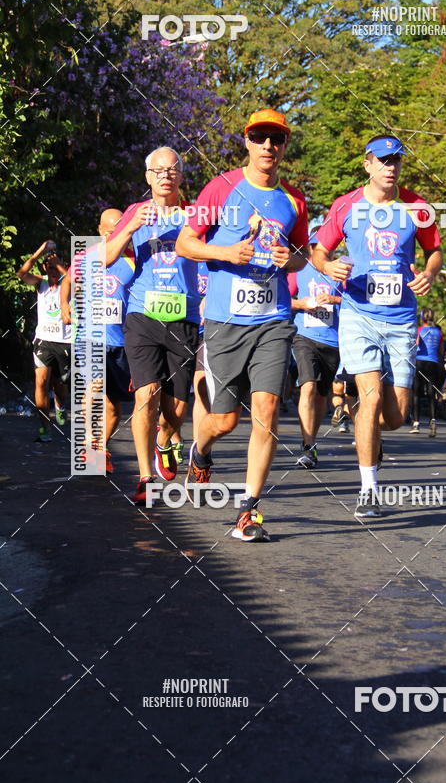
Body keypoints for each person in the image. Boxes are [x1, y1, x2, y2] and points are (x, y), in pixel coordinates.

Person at [176, 108, 309, 542]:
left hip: (274, 320)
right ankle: (200, 450)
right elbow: (185, 242)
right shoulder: (222, 187)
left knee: (267, 413)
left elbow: (303, 255)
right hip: (225, 321)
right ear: (247, 142)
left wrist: (288, 260)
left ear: (284, 146)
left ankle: (249, 510)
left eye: (277, 139)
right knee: (225, 421)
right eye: (260, 137)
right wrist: (227, 253)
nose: (269, 146)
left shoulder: (293, 200)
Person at [312, 134, 443, 517]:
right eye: (383, 160)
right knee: (369, 397)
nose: (390, 167)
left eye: (396, 161)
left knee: (397, 417)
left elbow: (434, 251)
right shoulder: (346, 206)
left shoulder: (417, 207)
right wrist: (329, 266)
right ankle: (369, 489)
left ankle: (363, 425)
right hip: (358, 315)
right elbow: (320, 251)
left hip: (402, 319)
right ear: (367, 164)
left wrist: (431, 274)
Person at [106, 147, 200, 502]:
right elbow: (105, 257)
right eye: (158, 170)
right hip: (142, 313)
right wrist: (130, 226)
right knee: (146, 394)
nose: (165, 175)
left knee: (176, 410)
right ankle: (146, 479)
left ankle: (165, 440)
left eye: (172, 169)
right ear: (148, 177)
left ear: (180, 175)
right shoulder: (135, 212)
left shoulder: (195, 215)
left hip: (183, 317)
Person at [60, 209, 135, 472]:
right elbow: (67, 279)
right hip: (90, 336)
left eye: (119, 228)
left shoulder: (132, 258)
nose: (113, 233)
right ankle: (89, 441)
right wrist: (63, 305)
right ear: (100, 229)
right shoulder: (86, 256)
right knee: (93, 385)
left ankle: (100, 447)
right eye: (109, 228)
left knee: (114, 406)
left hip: (121, 341)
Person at [288, 223, 343, 468]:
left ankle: (313, 441)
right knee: (307, 387)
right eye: (314, 245)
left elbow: (356, 300)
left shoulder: (341, 271)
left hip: (333, 341)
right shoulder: (299, 269)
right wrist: (302, 304)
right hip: (304, 336)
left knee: (322, 395)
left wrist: (334, 299)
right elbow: (283, 299)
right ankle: (307, 445)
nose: (318, 249)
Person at [17, 241, 70, 442]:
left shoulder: (69, 282)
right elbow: (22, 274)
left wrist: (59, 265)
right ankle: (45, 428)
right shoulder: (41, 283)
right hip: (43, 341)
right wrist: (41, 251)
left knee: (60, 386)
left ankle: (60, 405)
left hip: (65, 343)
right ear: (44, 269)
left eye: (55, 266)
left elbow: (76, 284)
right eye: (48, 267)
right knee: (40, 382)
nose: (52, 270)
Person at [410, 307, 444, 436]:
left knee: (416, 393)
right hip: (433, 363)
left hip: (419, 362)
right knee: (431, 393)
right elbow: (441, 351)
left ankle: (416, 423)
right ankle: (433, 420)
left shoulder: (419, 330)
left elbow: (415, 344)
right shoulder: (439, 332)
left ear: (422, 318)